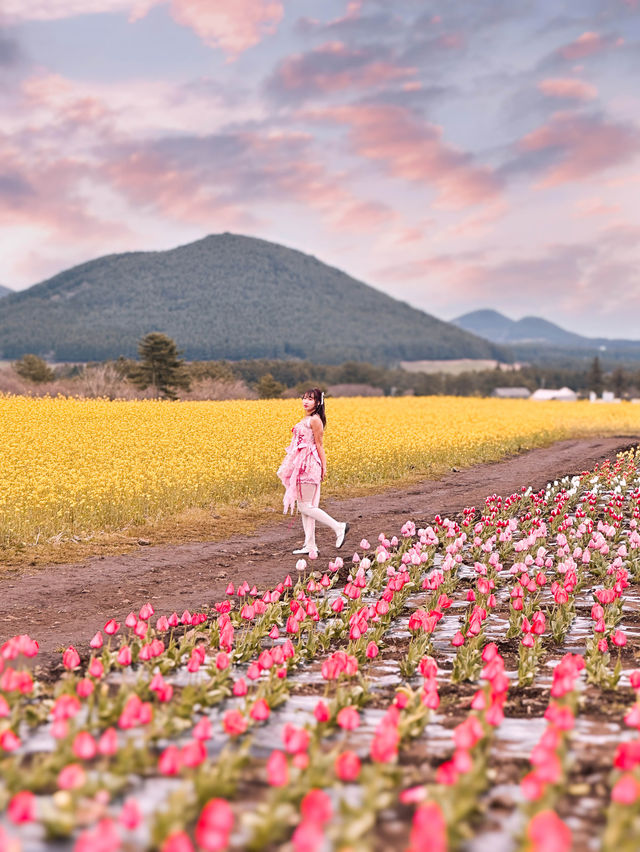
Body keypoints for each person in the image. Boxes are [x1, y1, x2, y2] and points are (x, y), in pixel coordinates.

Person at [277, 387, 349, 556]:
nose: (305, 401)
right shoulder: (308, 418)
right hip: (301, 464)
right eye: (304, 398)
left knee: (305, 506)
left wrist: (323, 467)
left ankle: (339, 527)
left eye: (310, 399)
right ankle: (310, 545)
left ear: (318, 402)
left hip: (308, 465)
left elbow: (319, 445)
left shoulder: (315, 420)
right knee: (307, 506)